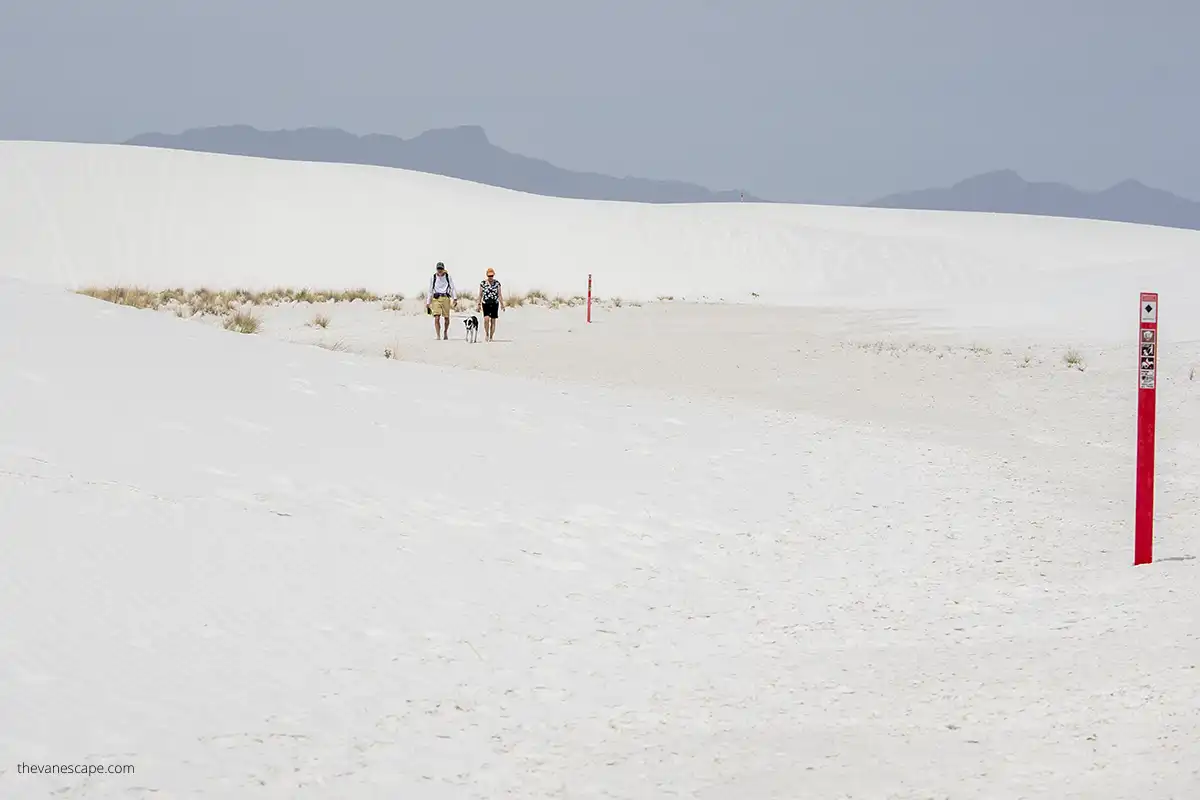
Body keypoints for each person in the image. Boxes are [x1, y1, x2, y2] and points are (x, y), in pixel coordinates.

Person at [425, 262, 457, 340]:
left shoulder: (448, 277)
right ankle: (438, 335)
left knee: (446, 318)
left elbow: (452, 288)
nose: (439, 270)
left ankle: (445, 332)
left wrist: (455, 298)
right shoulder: (433, 277)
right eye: (438, 269)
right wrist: (428, 302)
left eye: (441, 269)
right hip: (436, 299)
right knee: (437, 317)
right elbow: (430, 290)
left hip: (446, 298)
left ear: (443, 269)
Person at [477, 267, 503, 341]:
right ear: (487, 275)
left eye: (491, 276)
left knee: (493, 321)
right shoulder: (483, 283)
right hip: (486, 303)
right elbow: (480, 295)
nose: (490, 277)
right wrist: (478, 304)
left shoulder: (497, 283)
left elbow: (500, 294)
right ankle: (487, 334)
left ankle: (491, 336)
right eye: (489, 276)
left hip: (495, 303)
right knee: (486, 319)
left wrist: (502, 304)